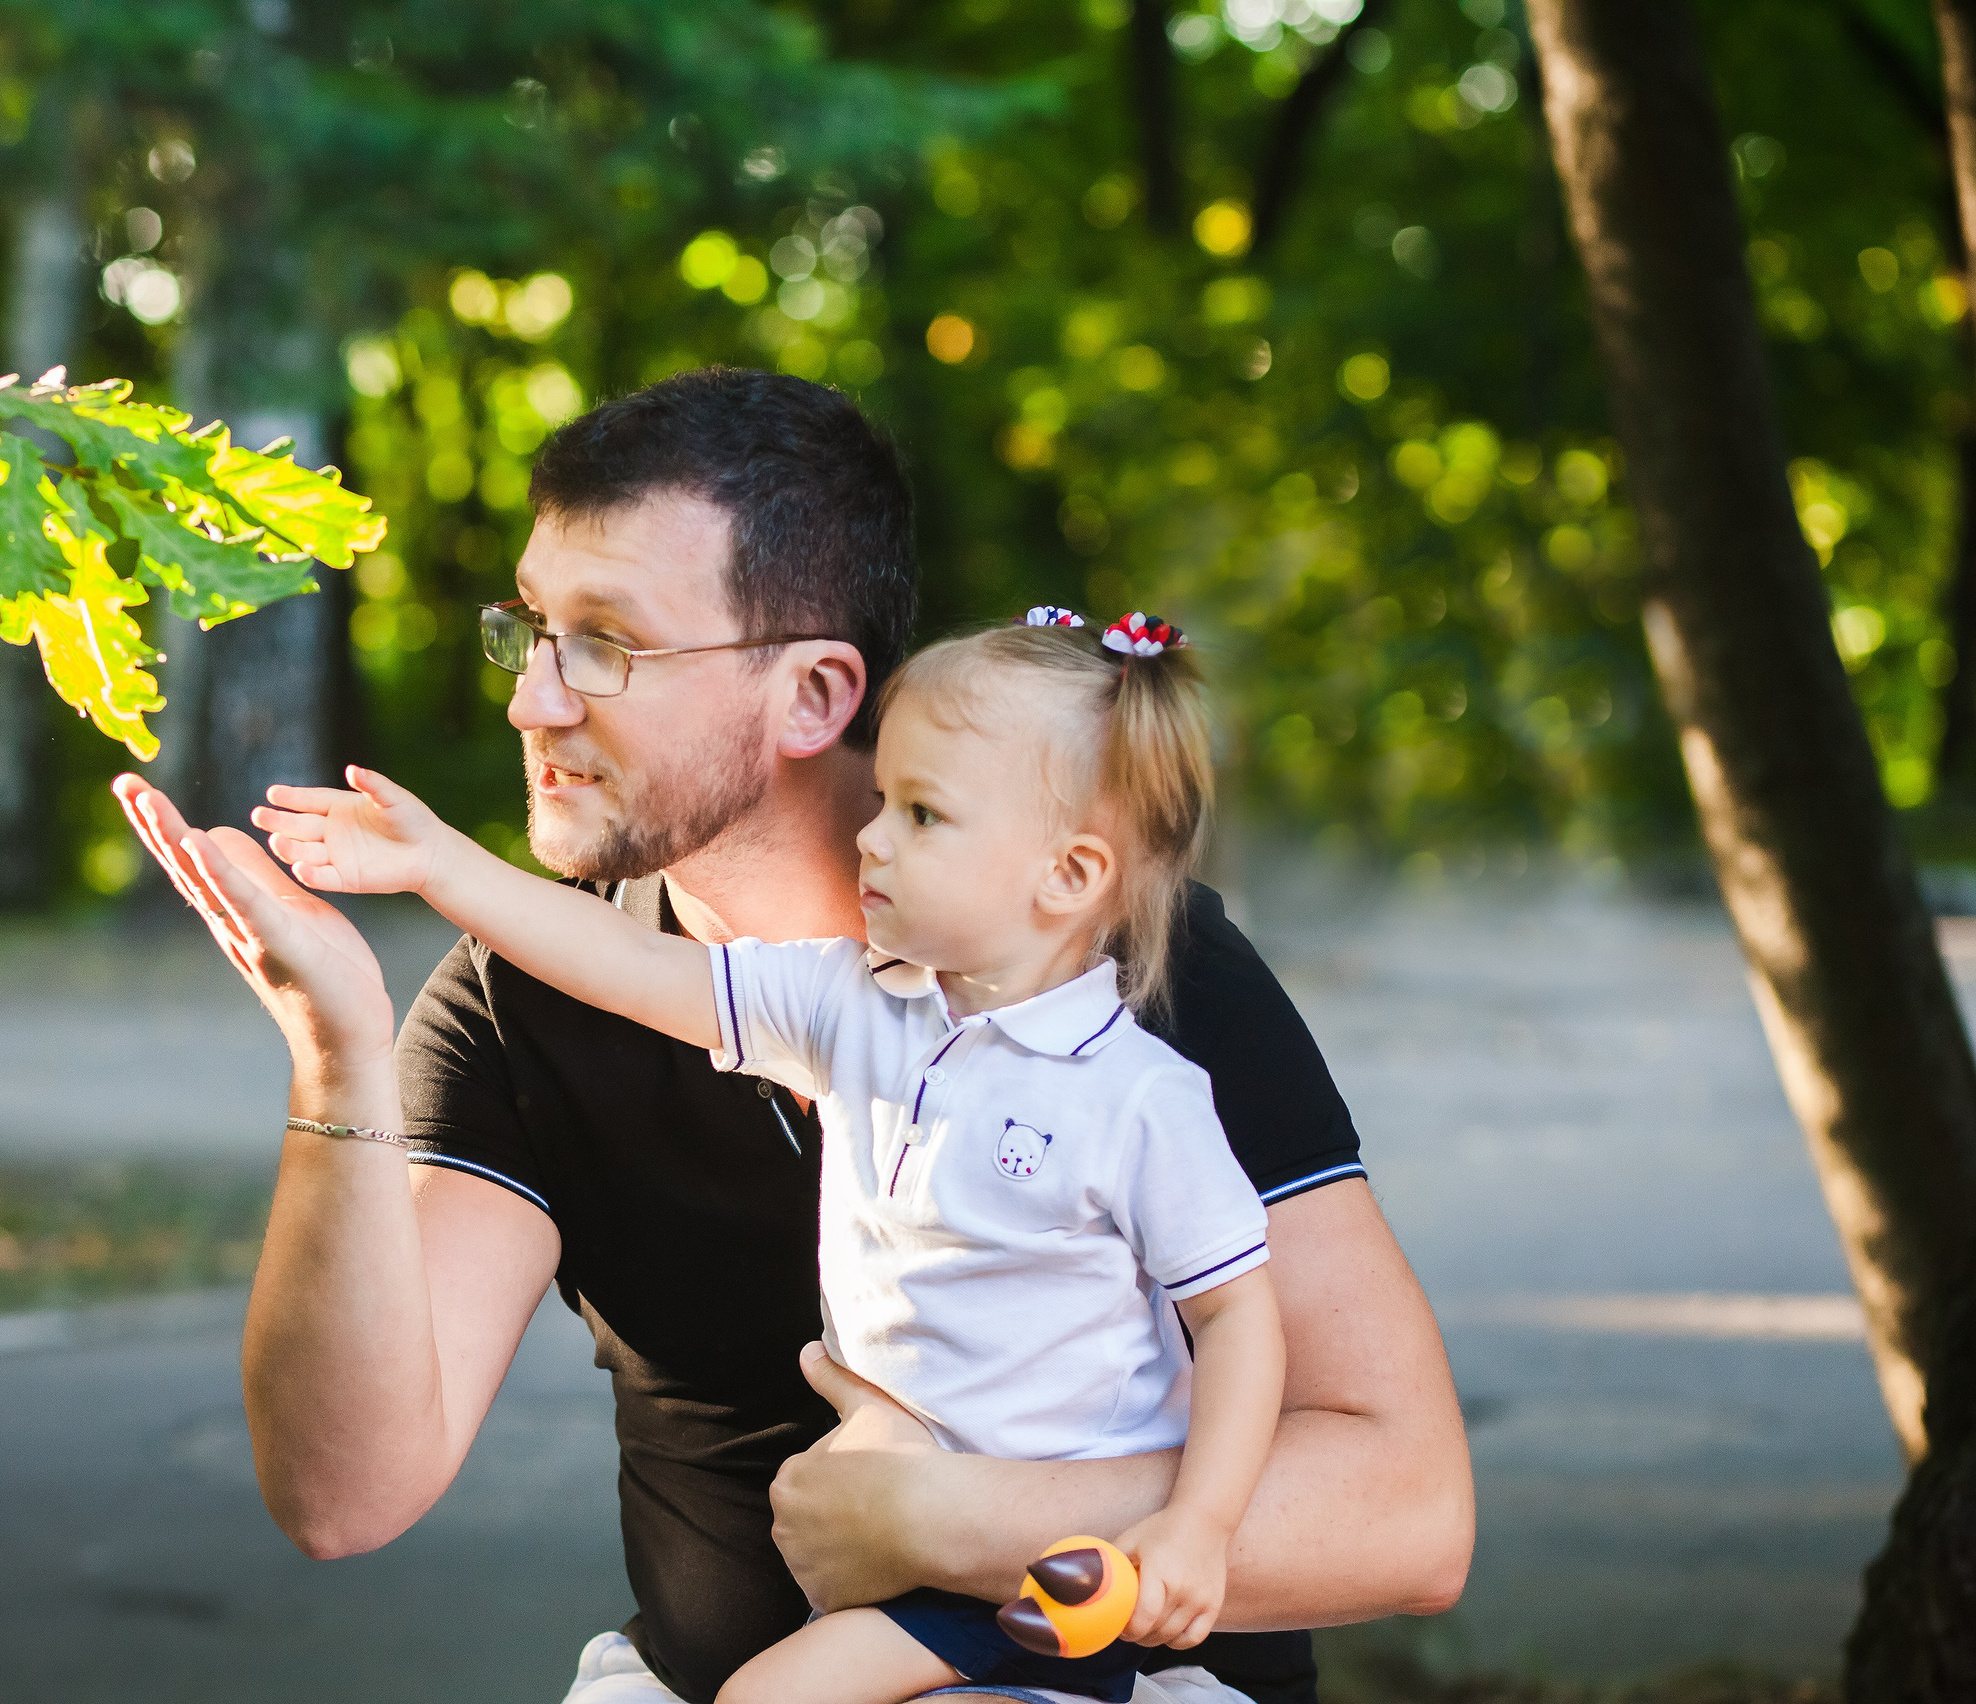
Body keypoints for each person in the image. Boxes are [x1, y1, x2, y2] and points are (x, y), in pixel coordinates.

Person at [115, 368, 1473, 1704]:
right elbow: (346, 1495)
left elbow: (1407, 1515)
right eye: (531, 630)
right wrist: (336, 1057)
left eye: (606, 644)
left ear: (817, 696)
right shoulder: (517, 1002)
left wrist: (950, 1524)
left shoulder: (1121, 964)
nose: (533, 700)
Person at [254, 606, 1283, 1704]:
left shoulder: (1140, 1097)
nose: (872, 837)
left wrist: (1197, 1527)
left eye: (923, 815)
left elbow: (1237, 1318)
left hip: (1019, 1568)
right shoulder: (858, 1005)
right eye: (883, 798)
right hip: (897, 1552)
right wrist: (436, 865)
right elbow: (623, 958)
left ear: (1069, 877)